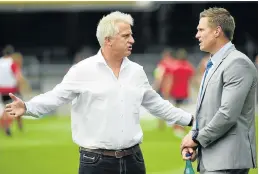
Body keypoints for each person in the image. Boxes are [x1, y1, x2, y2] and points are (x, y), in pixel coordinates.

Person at [4, 11, 194, 174]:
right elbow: (56, 96)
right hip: (95, 163)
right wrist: (28, 107)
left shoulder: (137, 71)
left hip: (134, 160)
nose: (132, 40)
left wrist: (192, 120)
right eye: (126, 36)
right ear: (108, 40)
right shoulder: (82, 70)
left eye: (131, 35)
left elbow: (157, 104)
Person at [180, 7, 257, 174]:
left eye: (201, 29)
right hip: (214, 160)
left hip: (228, 161)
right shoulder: (213, 63)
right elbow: (205, 113)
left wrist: (195, 139)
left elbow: (227, 114)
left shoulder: (237, 63)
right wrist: (194, 139)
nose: (197, 35)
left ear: (217, 31)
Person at [161, 48, 195, 137]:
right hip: (184, 93)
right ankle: (181, 127)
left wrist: (167, 92)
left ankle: (176, 127)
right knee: (183, 110)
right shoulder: (189, 67)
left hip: (174, 92)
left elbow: (170, 80)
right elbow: (191, 81)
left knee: (175, 110)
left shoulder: (173, 66)